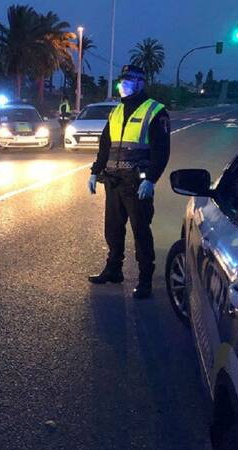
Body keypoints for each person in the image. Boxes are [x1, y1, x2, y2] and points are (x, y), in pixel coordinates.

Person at [87, 64, 171, 299]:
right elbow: (105, 146)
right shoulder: (116, 111)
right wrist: (95, 171)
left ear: (140, 83)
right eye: (121, 81)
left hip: (137, 183)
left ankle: (145, 279)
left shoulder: (155, 111)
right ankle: (114, 270)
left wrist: (151, 180)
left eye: (128, 81)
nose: (122, 85)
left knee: (140, 231)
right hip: (113, 181)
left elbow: (162, 151)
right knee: (113, 230)